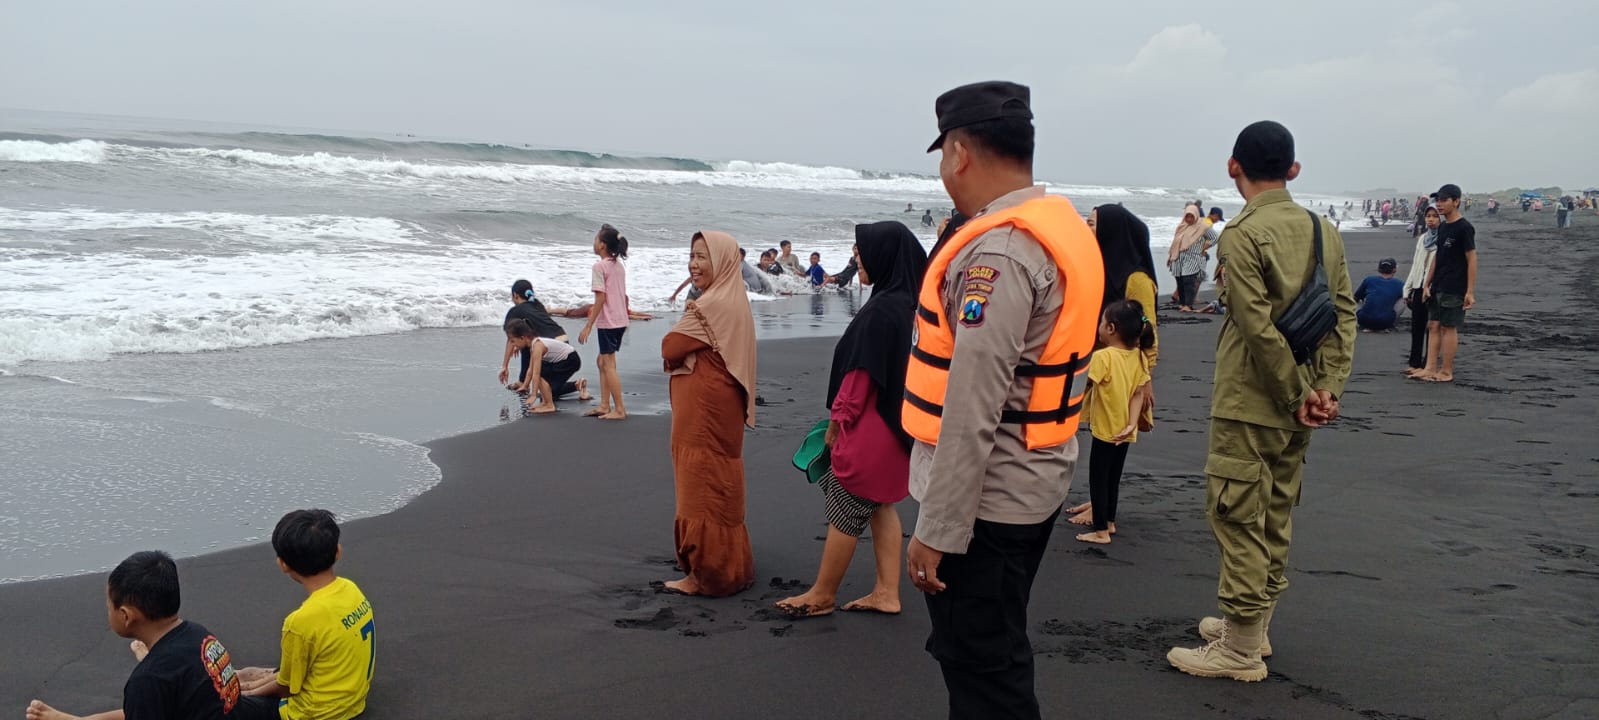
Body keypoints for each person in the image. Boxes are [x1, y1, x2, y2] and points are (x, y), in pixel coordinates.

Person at [905, 81, 1103, 719]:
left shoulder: (999, 251)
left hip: (984, 508)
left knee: (984, 673)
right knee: (994, 655)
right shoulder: (1059, 230)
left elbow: (973, 405)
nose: (942, 172)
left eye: (942, 157)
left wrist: (936, 531)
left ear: (959, 152)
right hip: (1032, 482)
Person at [1167, 120, 1355, 682]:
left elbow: (1254, 325)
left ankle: (1241, 649)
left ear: (1233, 166)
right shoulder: (1324, 230)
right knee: (1273, 511)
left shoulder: (1241, 235)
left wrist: (1297, 393)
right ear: (1293, 170)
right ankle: (1253, 627)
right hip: (1302, 402)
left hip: (1252, 399)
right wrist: (1324, 390)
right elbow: (1341, 317)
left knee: (1236, 513)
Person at [776, 221, 928, 618]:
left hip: (871, 429)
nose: (856, 257)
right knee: (879, 506)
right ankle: (887, 592)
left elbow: (859, 376)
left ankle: (822, 594)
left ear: (884, 256)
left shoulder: (882, 311)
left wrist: (834, 424)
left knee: (846, 504)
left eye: (862, 252)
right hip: (898, 429)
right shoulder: (910, 305)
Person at [25, 551, 279, 720]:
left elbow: (153, 696)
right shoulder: (199, 635)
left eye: (109, 606)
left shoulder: (149, 680)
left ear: (126, 615)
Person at [660, 231, 758, 597]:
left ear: (723, 262)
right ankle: (732, 565)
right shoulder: (734, 300)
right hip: (721, 410)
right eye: (691, 256)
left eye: (703, 257)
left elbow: (670, 345)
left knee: (699, 481)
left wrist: (683, 351)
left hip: (704, 413)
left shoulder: (710, 306)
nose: (694, 264)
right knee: (720, 477)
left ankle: (707, 573)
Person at [1066, 204, 1159, 527]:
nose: (1086, 228)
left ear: (1111, 232)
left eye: (1092, 224)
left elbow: (1148, 332)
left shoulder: (1136, 278)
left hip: (1124, 374)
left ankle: (1103, 512)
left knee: (1112, 442)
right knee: (1103, 439)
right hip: (1102, 367)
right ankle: (1099, 503)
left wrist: (1145, 380)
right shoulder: (1101, 264)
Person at [235, 510, 374, 720]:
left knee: (225, 706)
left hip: (316, 713)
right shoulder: (350, 588)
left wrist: (249, 694)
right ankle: (246, 680)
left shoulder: (300, 622)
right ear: (338, 551)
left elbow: (288, 687)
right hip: (353, 699)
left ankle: (246, 689)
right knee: (247, 673)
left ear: (283, 564)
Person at [1074, 299, 1154, 545]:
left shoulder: (1103, 357)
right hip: (1124, 431)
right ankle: (1109, 520)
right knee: (1113, 477)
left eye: (1102, 322)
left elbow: (1086, 385)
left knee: (1099, 477)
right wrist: (1131, 424)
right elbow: (1138, 394)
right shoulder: (1138, 357)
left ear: (1111, 329)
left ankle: (1100, 531)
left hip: (1106, 428)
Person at [1414, 184, 1476, 383]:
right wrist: (1426, 283)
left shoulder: (1464, 227)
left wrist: (1470, 291)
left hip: (1455, 285)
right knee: (1433, 325)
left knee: (1448, 327)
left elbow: (1472, 259)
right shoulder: (1443, 227)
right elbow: (1437, 257)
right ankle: (1430, 367)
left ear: (1456, 201)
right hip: (1438, 284)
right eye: (1438, 200)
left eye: (1444, 200)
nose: (1439, 204)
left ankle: (1446, 370)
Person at [578, 224, 629, 420]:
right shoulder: (618, 265)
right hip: (621, 319)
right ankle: (604, 404)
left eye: (596, 240)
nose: (594, 243)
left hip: (609, 321)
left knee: (608, 365)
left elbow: (600, 299)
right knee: (602, 361)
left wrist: (588, 326)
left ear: (602, 245)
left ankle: (619, 409)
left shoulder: (599, 267)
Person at [503, 318, 590, 413]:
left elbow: (536, 373)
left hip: (570, 360)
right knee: (548, 386)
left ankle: (549, 405)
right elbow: (530, 370)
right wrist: (525, 385)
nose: (513, 345)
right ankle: (549, 401)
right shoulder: (533, 345)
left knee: (544, 379)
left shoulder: (537, 346)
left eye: (513, 341)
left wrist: (534, 395)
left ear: (522, 338)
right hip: (563, 360)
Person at [499, 280, 569, 391]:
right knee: (526, 344)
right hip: (564, 342)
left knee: (547, 391)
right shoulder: (537, 304)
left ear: (515, 295)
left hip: (549, 347)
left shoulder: (515, 311)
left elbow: (510, 338)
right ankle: (522, 381)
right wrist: (519, 345)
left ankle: (577, 385)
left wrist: (505, 366)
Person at [1403, 207, 1440, 374]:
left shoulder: (1444, 240)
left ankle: (1429, 363)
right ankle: (1414, 362)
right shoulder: (1423, 239)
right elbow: (1416, 264)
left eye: (1434, 216)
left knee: (1432, 327)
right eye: (1428, 216)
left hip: (1434, 288)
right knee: (1417, 326)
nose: (1430, 219)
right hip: (1418, 285)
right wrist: (1407, 287)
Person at [1168, 203, 1211, 311]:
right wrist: (1170, 256)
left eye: (1191, 216)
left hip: (1193, 257)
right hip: (1178, 257)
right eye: (1187, 216)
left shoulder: (1202, 227)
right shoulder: (1181, 226)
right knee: (1180, 280)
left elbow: (1214, 238)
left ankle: (1188, 305)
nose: (1189, 219)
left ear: (1196, 215)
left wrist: (1204, 248)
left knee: (1188, 281)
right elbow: (1175, 242)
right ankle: (1182, 303)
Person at [1354, 258, 1404, 332]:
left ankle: (1367, 321)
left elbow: (1356, 297)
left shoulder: (1369, 279)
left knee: (1358, 299)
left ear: (1378, 269)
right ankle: (1387, 322)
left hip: (1363, 320)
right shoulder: (1399, 283)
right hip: (1386, 322)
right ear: (1394, 270)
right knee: (1404, 298)